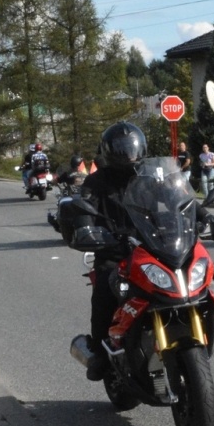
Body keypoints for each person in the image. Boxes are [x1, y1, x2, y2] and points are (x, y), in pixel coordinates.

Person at [78, 122, 148, 382]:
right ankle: (98, 351)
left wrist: (203, 216)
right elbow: (84, 209)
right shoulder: (96, 181)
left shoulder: (148, 177)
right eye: (122, 149)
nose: (128, 154)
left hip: (150, 250)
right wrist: (85, 229)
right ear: (110, 151)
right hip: (113, 252)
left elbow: (175, 199)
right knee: (105, 289)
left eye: (131, 148)